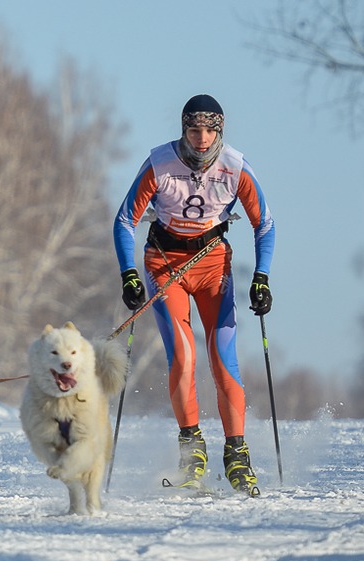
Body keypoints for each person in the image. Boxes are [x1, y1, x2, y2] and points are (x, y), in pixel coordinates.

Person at [112, 94, 275, 496]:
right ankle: (192, 448)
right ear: (182, 129)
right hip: (165, 263)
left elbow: (265, 224)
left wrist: (262, 277)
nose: (201, 139)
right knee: (183, 356)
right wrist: (129, 274)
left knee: (222, 360)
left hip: (212, 265)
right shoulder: (159, 164)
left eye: (209, 130)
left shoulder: (236, 167)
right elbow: (124, 220)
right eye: (193, 130)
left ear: (220, 131)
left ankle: (237, 452)